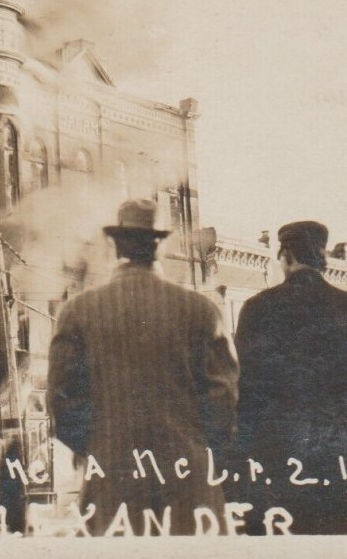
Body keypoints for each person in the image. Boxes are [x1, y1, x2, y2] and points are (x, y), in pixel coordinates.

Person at [47, 199, 239, 536]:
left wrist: (98, 447)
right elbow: (223, 398)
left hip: (111, 479)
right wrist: (197, 447)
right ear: (159, 246)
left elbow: (63, 401)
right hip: (188, 480)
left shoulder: (77, 312)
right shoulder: (202, 311)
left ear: (115, 245)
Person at [234, 220, 347, 534]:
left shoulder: (257, 308)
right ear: (321, 257)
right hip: (336, 454)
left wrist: (241, 459)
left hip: (277, 453)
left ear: (285, 255)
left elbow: (246, 392)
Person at [0, 434, 26, 535]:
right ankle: (17, 528)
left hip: (6, 486)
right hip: (16, 487)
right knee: (16, 506)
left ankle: (10, 526)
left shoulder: (4, 459)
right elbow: (20, 475)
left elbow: (1, 473)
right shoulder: (18, 459)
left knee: (8, 506)